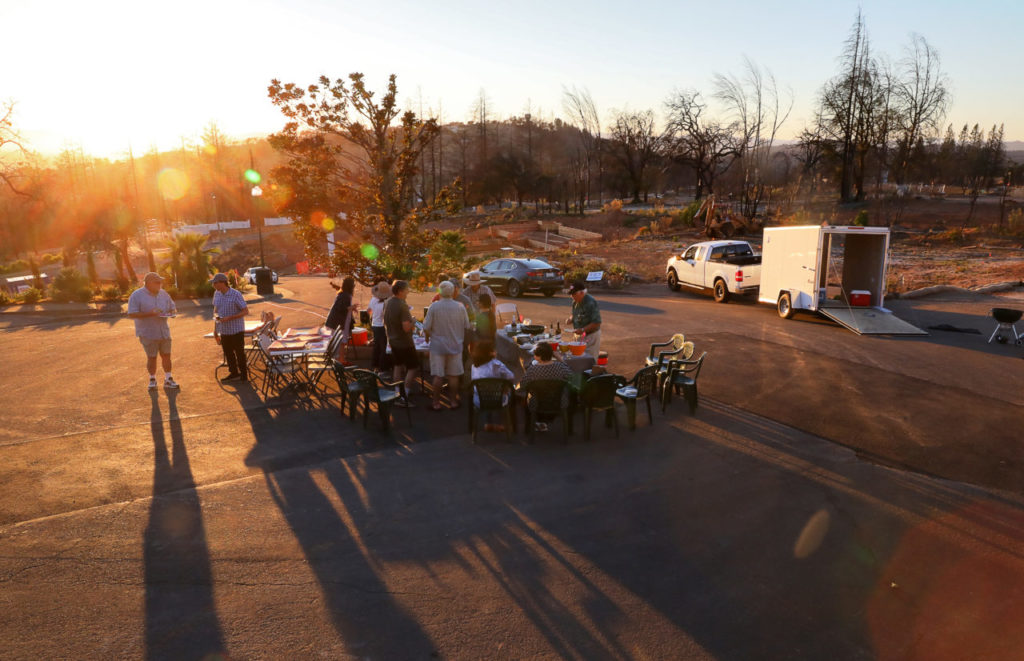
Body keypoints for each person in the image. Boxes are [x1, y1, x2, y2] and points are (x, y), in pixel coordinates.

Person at [423, 280, 472, 411]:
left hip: (438, 346)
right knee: (453, 375)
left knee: (438, 375)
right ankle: (453, 401)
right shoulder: (460, 306)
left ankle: (436, 403)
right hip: (456, 345)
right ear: (452, 292)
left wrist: (428, 337)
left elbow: (426, 327)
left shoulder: (434, 306)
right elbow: (467, 325)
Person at [126, 272, 179, 390]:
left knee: (166, 355)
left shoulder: (164, 294)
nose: (160, 284)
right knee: (152, 357)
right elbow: (131, 314)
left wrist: (171, 313)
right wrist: (150, 313)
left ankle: (168, 379)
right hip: (148, 332)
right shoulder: (137, 295)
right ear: (149, 283)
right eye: (157, 282)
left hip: (163, 331)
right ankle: (152, 379)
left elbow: (172, 308)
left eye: (160, 282)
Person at [521, 341, 573, 431]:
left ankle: (533, 424)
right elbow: (571, 375)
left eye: (535, 354)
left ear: (539, 357)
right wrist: (560, 358)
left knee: (527, 397)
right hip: (559, 402)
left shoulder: (533, 370)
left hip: (537, 403)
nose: (534, 356)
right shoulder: (560, 367)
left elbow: (523, 385)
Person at [383, 280, 418, 407]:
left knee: (398, 366)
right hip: (404, 342)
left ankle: (397, 393)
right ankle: (404, 396)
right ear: (400, 291)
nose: (408, 291)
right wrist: (413, 321)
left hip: (393, 340)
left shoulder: (388, 302)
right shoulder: (402, 304)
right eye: (407, 289)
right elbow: (406, 328)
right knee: (413, 368)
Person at [211, 273, 250, 382]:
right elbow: (215, 311)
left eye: (215, 283)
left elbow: (245, 311)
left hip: (236, 329)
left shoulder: (235, 294)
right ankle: (234, 373)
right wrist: (215, 331)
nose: (213, 285)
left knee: (239, 352)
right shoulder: (216, 294)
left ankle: (244, 375)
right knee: (228, 353)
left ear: (222, 283)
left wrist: (230, 318)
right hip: (224, 330)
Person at [470, 340, 514, 431]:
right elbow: (511, 376)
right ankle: (501, 424)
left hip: (479, 400)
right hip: (498, 399)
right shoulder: (497, 364)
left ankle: (489, 423)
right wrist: (506, 388)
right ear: (490, 353)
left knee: (486, 392)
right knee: (507, 393)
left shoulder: (474, 366)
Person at [567, 280, 602, 359]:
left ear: (582, 293)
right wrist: (570, 319)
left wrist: (583, 329)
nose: (572, 296)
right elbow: (575, 314)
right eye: (571, 294)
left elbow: (597, 323)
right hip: (579, 334)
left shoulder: (590, 302)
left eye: (574, 294)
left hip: (590, 336)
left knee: (589, 359)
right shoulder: (575, 302)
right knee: (577, 358)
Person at [326, 276, 357, 361]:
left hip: (338, 321)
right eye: (353, 285)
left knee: (341, 341)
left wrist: (352, 307)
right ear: (350, 286)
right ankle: (341, 360)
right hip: (339, 322)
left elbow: (343, 307)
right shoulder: (346, 295)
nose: (354, 287)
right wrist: (351, 307)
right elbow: (341, 308)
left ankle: (340, 359)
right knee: (341, 341)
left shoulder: (343, 293)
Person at [368, 279, 391, 374]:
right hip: (382, 326)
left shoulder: (373, 299)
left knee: (376, 346)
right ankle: (382, 369)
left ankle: (375, 366)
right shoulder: (385, 303)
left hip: (375, 324)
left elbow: (368, 310)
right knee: (384, 348)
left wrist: (373, 316)